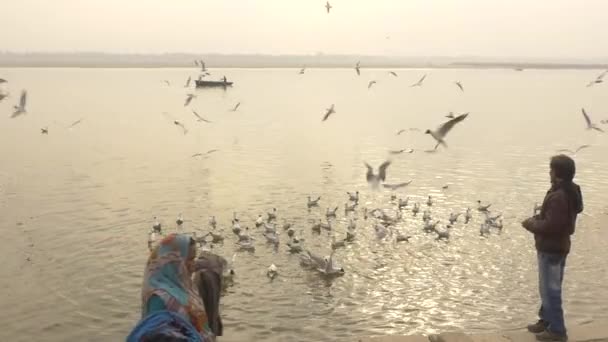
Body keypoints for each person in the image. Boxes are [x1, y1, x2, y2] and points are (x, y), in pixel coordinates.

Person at [522, 155, 583, 342]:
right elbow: (563, 218)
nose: (549, 172)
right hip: (559, 247)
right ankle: (546, 320)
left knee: (550, 289)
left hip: (551, 249)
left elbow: (551, 226)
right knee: (547, 288)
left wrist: (530, 223)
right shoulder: (569, 191)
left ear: (558, 174)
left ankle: (557, 331)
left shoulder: (559, 196)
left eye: (551, 169)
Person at [127, 233, 215, 342]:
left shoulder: (185, 288)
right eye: (190, 259)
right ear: (172, 261)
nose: (194, 264)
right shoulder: (158, 299)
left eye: (194, 259)